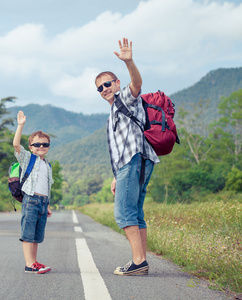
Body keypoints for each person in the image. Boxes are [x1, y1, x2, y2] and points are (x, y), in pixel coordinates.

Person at [95, 38, 160, 276]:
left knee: (123, 212)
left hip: (134, 161)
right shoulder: (113, 112)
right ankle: (140, 260)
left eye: (107, 84)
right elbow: (118, 148)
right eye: (100, 88)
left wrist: (129, 61)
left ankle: (138, 261)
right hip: (136, 162)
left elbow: (137, 83)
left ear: (117, 82)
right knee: (135, 212)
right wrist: (116, 176)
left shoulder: (125, 97)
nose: (104, 89)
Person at [13, 110, 53, 274]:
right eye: (37, 144)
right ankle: (29, 264)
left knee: (36, 235)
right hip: (30, 200)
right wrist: (20, 125)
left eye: (44, 144)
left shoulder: (48, 165)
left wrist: (48, 205)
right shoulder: (28, 158)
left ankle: (34, 262)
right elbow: (16, 145)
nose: (41, 147)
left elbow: (47, 186)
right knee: (28, 233)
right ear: (31, 147)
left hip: (42, 203)